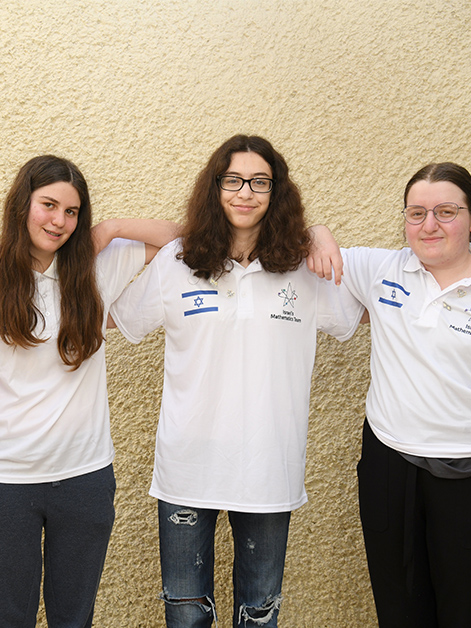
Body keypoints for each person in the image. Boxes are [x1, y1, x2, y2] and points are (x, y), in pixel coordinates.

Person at [108, 134, 365, 627]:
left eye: (259, 182)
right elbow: (121, 320)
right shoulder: (177, 261)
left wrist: (322, 231)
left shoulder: (305, 269)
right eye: (232, 180)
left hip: (268, 467)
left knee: (258, 615)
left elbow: (366, 313)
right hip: (187, 468)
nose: (245, 192)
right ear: (215, 188)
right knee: (185, 615)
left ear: (276, 192)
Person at [0, 154, 179, 627]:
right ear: (22, 204)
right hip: (7, 481)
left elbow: (188, 239)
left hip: (84, 477)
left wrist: (114, 226)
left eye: (73, 212)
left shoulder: (95, 270)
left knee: (74, 618)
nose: (59, 221)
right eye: (48, 204)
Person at [317, 161, 471, 627]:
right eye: (416, 213)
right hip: (390, 465)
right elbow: (292, 244)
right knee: (399, 606)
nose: (429, 225)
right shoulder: (381, 268)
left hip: (465, 470)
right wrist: (320, 231)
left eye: (446, 211)